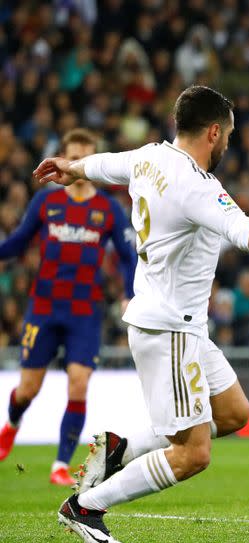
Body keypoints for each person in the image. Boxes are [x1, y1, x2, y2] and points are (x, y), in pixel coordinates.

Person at [33, 85, 249, 543]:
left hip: (182, 327)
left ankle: (122, 449)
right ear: (215, 132)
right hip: (170, 327)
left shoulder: (149, 158)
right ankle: (85, 506)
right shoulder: (195, 185)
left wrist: (72, 166)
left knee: (236, 411)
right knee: (192, 454)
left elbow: (106, 164)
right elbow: (246, 233)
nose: (228, 146)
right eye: (229, 136)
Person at [0, 128, 136, 486]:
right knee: (28, 389)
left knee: (78, 385)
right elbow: (17, 243)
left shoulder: (107, 208)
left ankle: (60, 465)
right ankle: (12, 423)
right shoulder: (46, 202)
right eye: (72, 155)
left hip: (84, 312)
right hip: (43, 307)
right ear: (64, 155)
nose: (77, 163)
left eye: (84, 157)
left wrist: (130, 292)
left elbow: (127, 257)